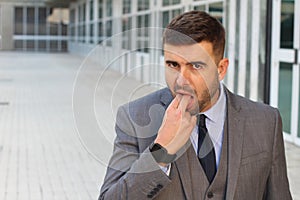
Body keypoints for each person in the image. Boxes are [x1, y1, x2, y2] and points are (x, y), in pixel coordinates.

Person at [99, 11, 292, 200]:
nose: (182, 81)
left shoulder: (266, 121)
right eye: (173, 65)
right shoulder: (134, 117)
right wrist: (161, 151)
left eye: (196, 66)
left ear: (221, 68)